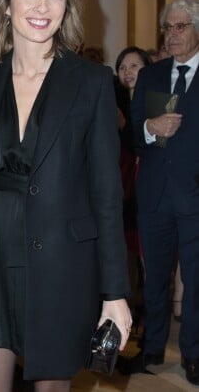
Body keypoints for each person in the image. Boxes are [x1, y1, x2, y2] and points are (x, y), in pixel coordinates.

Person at [0, 0, 131, 392]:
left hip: (61, 267)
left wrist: (115, 294)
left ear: (66, 7)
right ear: (8, 2)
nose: (41, 7)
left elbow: (106, 196)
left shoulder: (91, 83)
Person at [124, 0, 199, 385]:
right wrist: (151, 129)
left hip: (195, 197)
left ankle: (193, 352)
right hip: (154, 195)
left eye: (181, 26)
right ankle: (152, 347)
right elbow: (133, 135)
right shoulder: (152, 76)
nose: (172, 34)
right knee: (154, 278)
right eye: (168, 27)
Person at [115, 47, 151, 323]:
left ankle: (148, 308)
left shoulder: (154, 102)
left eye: (134, 66)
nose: (128, 72)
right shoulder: (114, 101)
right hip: (121, 183)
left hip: (143, 182)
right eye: (123, 67)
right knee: (126, 249)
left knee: (145, 250)